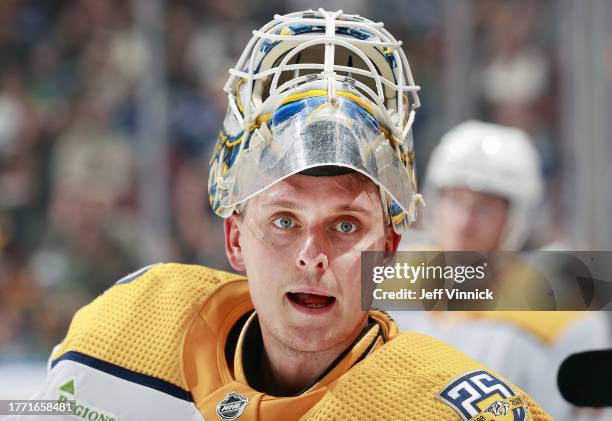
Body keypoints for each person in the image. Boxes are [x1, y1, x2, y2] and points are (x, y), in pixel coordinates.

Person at [10, 10, 551, 421]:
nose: (312, 255)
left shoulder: (480, 383)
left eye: (345, 225)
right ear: (234, 238)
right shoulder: (126, 332)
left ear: (388, 248)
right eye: (284, 221)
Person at [391, 120, 611, 420]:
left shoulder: (566, 318)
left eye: (484, 208)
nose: (464, 223)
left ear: (516, 218)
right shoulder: (386, 280)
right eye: (455, 201)